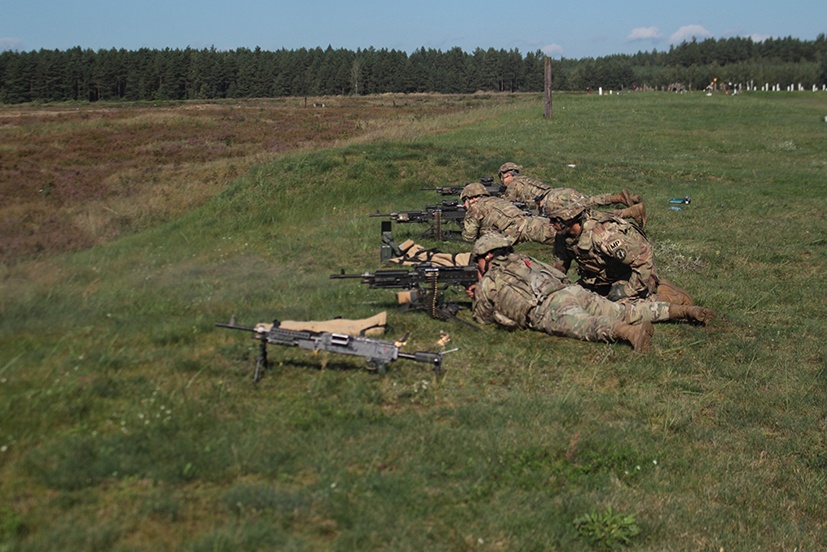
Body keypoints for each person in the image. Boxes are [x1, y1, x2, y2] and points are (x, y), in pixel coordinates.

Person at [468, 234, 714, 352]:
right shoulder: (523, 259)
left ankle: (631, 334)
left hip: (548, 308)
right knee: (625, 310)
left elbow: (483, 316)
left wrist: (477, 289)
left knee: (589, 325)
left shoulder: (490, 279)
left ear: (487, 256)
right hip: (571, 290)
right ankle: (684, 311)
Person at [544, 199, 692, 305]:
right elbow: (559, 267)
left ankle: (670, 298)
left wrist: (629, 290)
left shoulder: (602, 234)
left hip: (632, 275)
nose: (550, 224)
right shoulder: (563, 236)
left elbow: (643, 256)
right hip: (600, 278)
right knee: (574, 300)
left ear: (569, 217)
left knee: (619, 309)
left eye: (554, 219)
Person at [497, 162, 647, 227]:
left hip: (550, 203)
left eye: (502, 177)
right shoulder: (525, 180)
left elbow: (504, 206)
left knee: (586, 220)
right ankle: (622, 198)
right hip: (557, 193)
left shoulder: (513, 185)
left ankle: (628, 212)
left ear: (508, 174)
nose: (502, 181)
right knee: (588, 202)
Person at [460, 182, 556, 245]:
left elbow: (469, 237)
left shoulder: (475, 209)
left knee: (563, 238)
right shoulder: (496, 200)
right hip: (532, 222)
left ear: (472, 199)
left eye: (464, 201)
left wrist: (463, 225)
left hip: (525, 230)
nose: (464, 205)